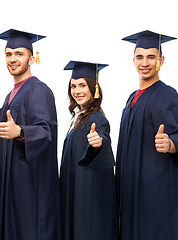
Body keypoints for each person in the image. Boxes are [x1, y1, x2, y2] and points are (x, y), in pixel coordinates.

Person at [116, 30, 178, 240]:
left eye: (151, 57)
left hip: (154, 189)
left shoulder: (166, 93)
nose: (145, 63)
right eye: (140, 57)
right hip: (131, 187)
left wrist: (170, 144)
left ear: (161, 60)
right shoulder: (131, 98)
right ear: (133, 61)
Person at [0, 29, 60, 240]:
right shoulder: (10, 95)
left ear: (32, 58)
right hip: (11, 185)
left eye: (19, 54)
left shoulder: (39, 90)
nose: (13, 59)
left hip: (30, 187)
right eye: (8, 54)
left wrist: (20, 131)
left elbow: (46, 131)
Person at [60, 61, 119, 240]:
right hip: (75, 193)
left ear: (94, 89)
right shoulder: (77, 118)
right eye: (73, 86)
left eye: (83, 85)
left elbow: (102, 136)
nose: (77, 91)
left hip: (89, 197)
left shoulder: (97, 119)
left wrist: (99, 142)